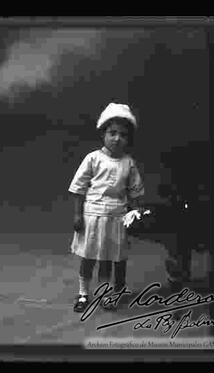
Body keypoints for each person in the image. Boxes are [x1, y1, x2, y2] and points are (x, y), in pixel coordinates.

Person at [68, 103, 145, 312]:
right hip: (93, 216)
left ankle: (104, 293)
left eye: (123, 135)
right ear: (103, 134)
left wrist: (136, 213)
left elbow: (135, 191)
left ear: (128, 139)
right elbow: (78, 188)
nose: (117, 138)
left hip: (117, 218)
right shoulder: (93, 158)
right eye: (112, 133)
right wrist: (77, 215)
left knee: (107, 260)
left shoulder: (128, 163)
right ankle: (83, 293)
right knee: (89, 257)